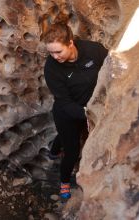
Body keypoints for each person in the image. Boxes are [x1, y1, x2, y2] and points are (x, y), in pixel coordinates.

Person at [43, 23, 108, 200]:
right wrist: (88, 113)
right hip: (67, 113)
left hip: (87, 109)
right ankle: (64, 181)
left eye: (58, 51)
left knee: (67, 135)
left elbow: (110, 66)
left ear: (70, 43)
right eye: (51, 52)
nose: (54, 57)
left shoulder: (93, 50)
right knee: (71, 151)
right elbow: (63, 101)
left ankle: (54, 151)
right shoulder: (51, 68)